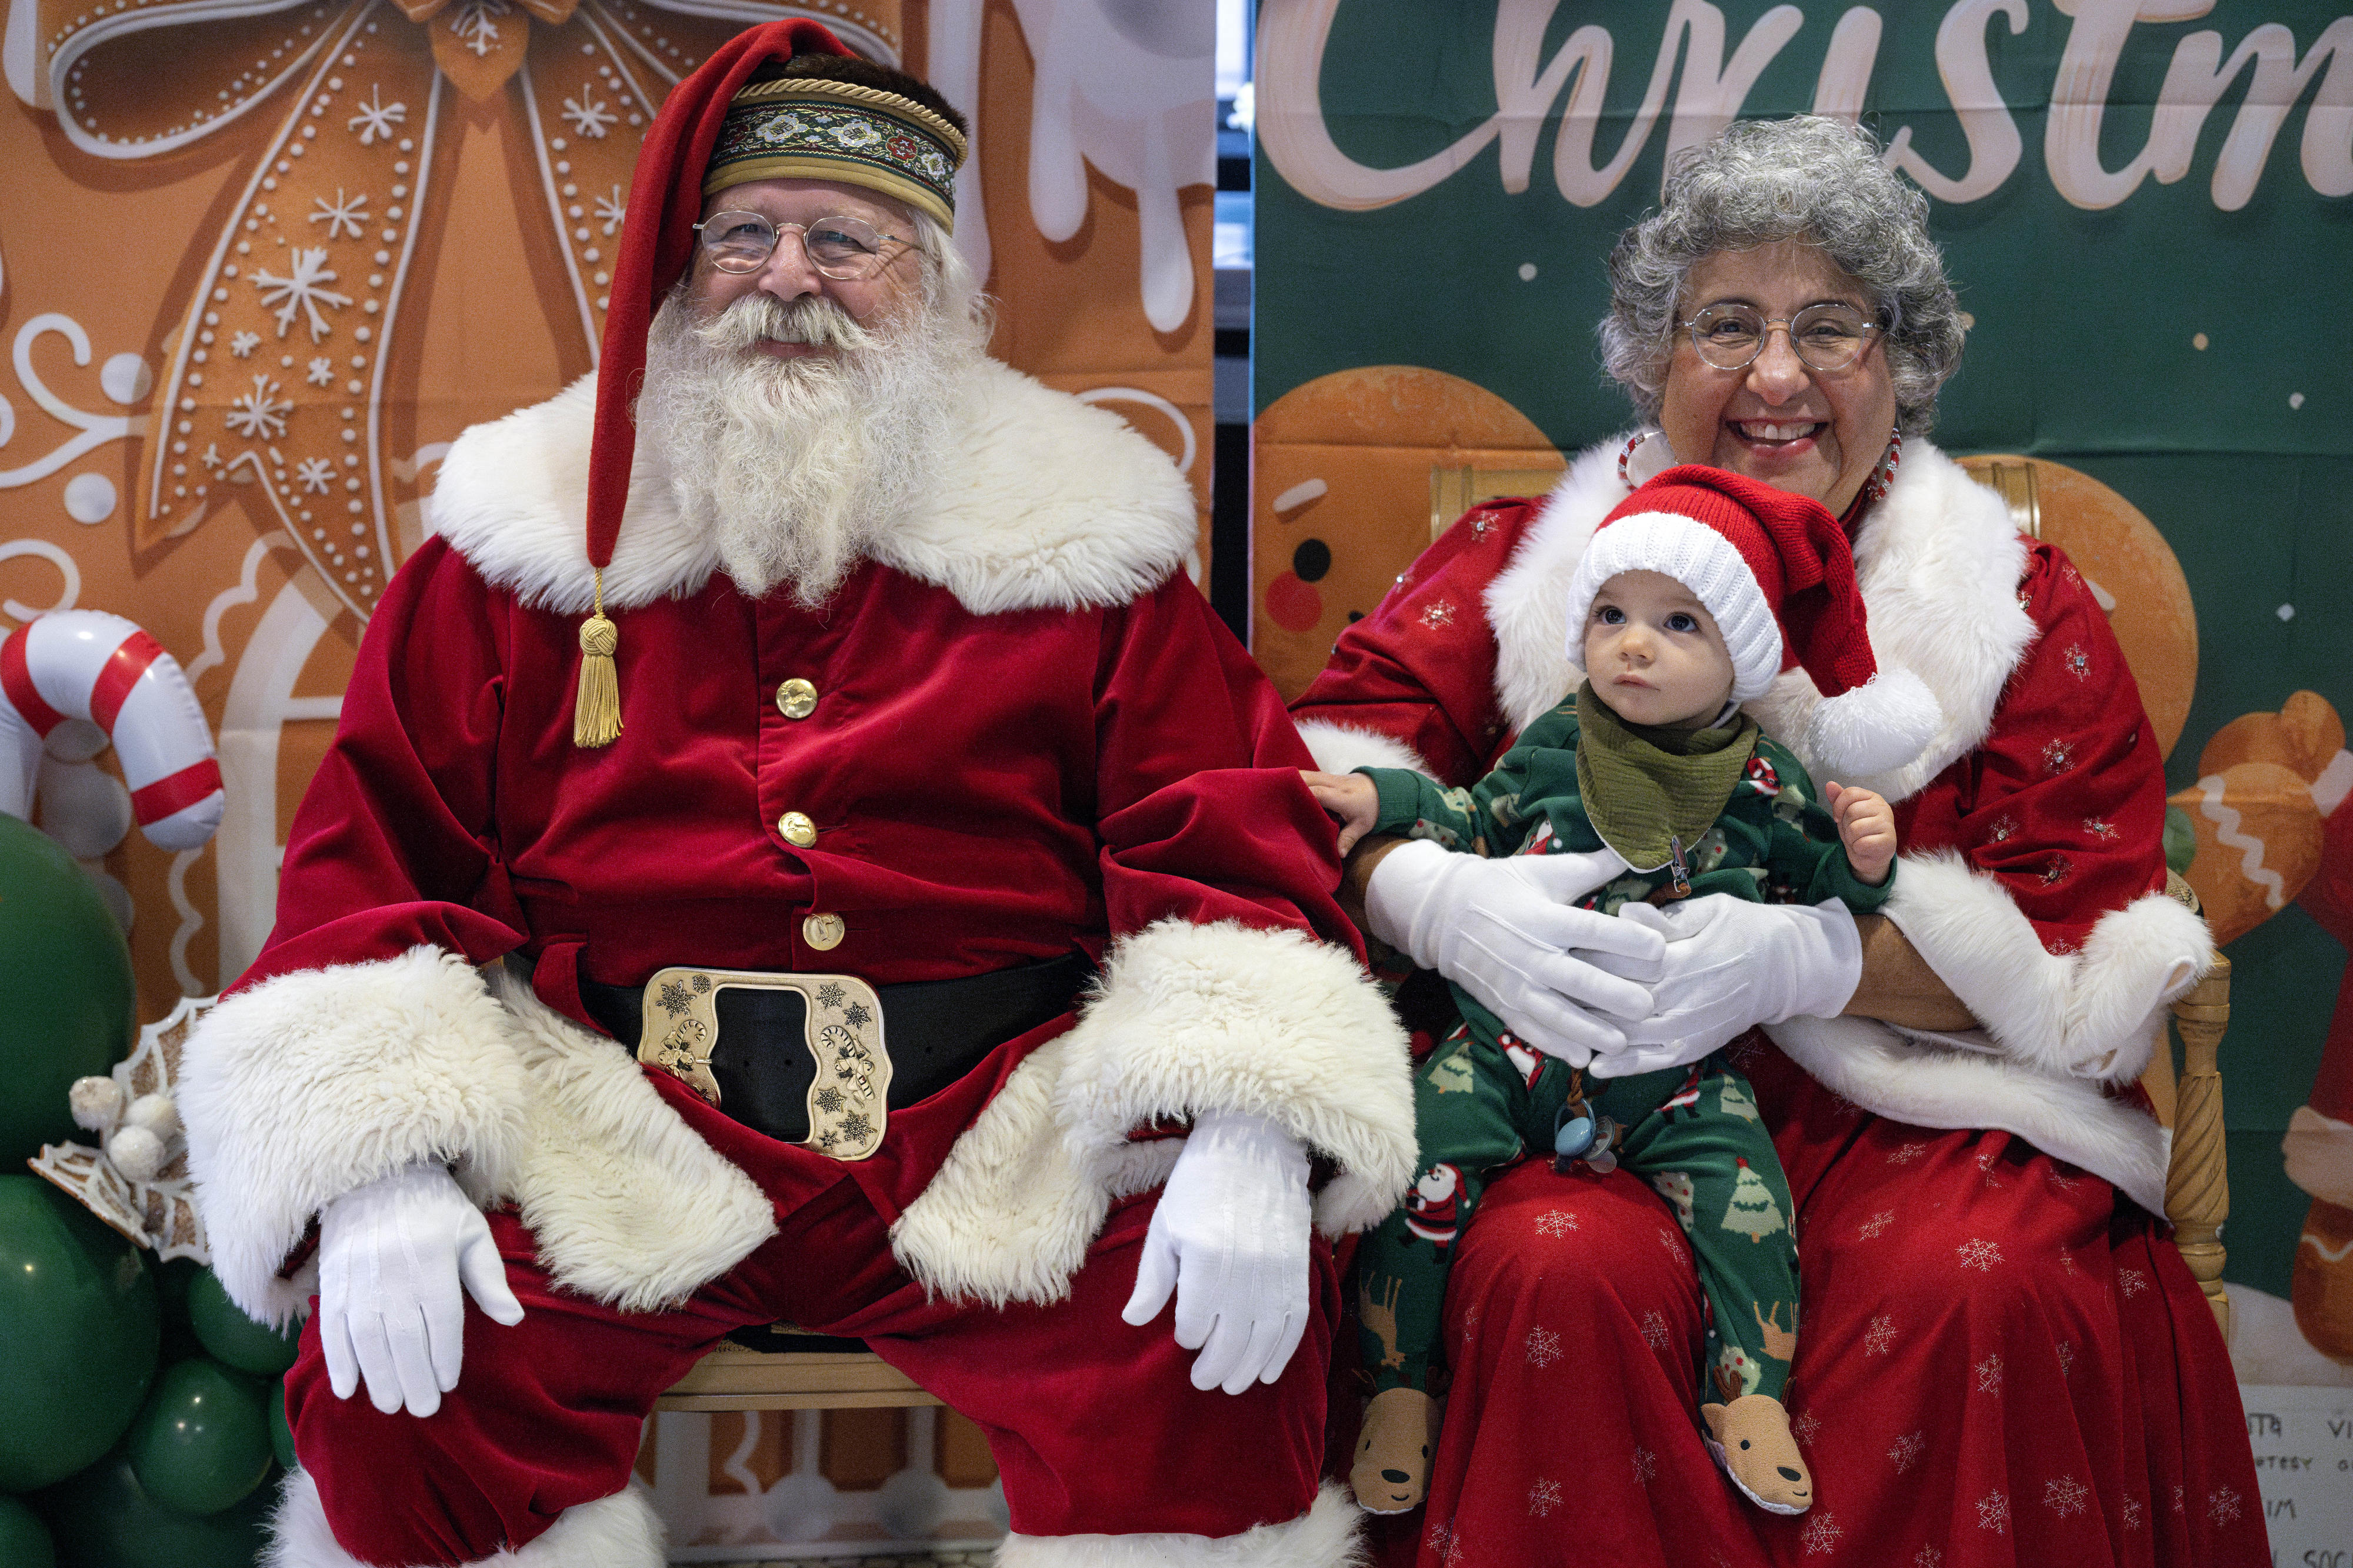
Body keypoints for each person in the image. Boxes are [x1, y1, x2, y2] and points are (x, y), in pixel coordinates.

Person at [176, 22, 1415, 1568]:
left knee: (1200, 1377)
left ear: (942, 288)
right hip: (612, 1125)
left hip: (994, 1138)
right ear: (679, 274)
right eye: (744, 236)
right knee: (405, 1397)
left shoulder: (1081, 553)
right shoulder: (518, 555)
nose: (785, 276)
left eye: (846, 240)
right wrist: (375, 1168)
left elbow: (1223, 832)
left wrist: (1246, 1124)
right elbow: (377, 865)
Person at [1292, 116, 2267, 1567]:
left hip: (1917, 1108)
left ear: (1904, 359)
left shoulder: (2014, 605)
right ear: (1649, 352)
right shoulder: (1517, 565)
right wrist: (1427, 893)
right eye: (1724, 325)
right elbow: (1305, 789)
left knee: (1971, 1288)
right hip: (1564, 1089)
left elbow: (2078, 956)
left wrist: (1808, 959)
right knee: (1550, 1266)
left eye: (1830, 327)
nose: (1773, 376)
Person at [1311, 464, 1917, 1520]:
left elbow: (1829, 888)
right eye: (1611, 614)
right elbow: (1468, 815)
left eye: (1679, 622)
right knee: (1417, 1168)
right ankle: (1397, 1385)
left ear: (1744, 657)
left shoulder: (1768, 780)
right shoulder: (1555, 741)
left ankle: (1752, 1395)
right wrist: (1385, 796)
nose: (1633, 643)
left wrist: (1866, 855)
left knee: (1750, 1204)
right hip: (1511, 1046)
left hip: (1676, 1072)